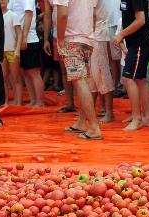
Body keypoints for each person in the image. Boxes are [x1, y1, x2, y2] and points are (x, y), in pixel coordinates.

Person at [54, 0, 102, 140]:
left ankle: (94, 127)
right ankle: (82, 122)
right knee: (82, 80)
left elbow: (62, 14)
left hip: (72, 38)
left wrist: (60, 39)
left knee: (78, 80)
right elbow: (93, 14)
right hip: (87, 37)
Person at [114, 0, 149, 131]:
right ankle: (147, 117)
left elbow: (141, 20)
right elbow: (129, 17)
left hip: (140, 43)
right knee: (140, 79)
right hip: (134, 43)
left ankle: (137, 118)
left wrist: (122, 34)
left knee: (128, 78)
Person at [12, 0, 45, 106]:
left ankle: (40, 102)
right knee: (25, 72)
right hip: (19, 39)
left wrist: (25, 37)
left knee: (33, 72)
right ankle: (33, 100)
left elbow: (29, 14)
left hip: (29, 39)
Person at [1, 0, 21, 105]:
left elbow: (19, 33)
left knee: (15, 78)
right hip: (1, 51)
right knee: (4, 77)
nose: (1, 1)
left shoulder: (13, 15)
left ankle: (18, 102)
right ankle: (5, 101)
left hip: (12, 50)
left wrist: (17, 49)